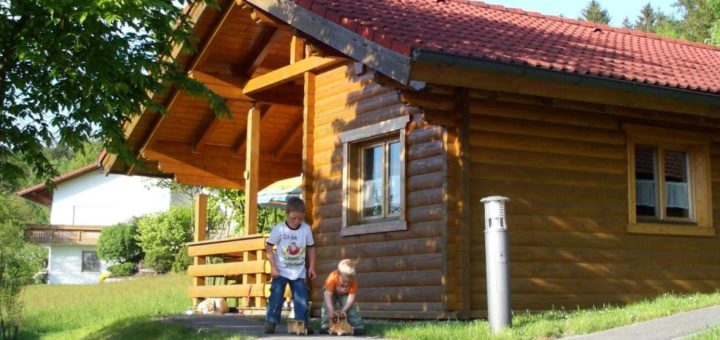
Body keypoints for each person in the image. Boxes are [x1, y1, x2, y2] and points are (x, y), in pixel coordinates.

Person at [264, 197, 316, 334]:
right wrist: (273, 267)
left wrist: (311, 267)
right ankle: (271, 322)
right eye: (293, 218)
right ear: (287, 214)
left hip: (298, 271)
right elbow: (269, 247)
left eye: (300, 218)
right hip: (281, 270)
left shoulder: (306, 229)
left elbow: (311, 248)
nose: (297, 221)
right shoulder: (279, 229)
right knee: (276, 297)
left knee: (302, 299)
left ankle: (302, 324)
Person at [321, 259, 364, 335]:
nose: (346, 284)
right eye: (344, 281)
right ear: (338, 274)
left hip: (344, 294)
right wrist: (330, 308)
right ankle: (326, 325)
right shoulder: (332, 276)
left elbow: (351, 298)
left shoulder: (353, 281)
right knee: (326, 306)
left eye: (348, 282)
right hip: (331, 293)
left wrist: (344, 309)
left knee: (351, 308)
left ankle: (358, 326)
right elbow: (327, 294)